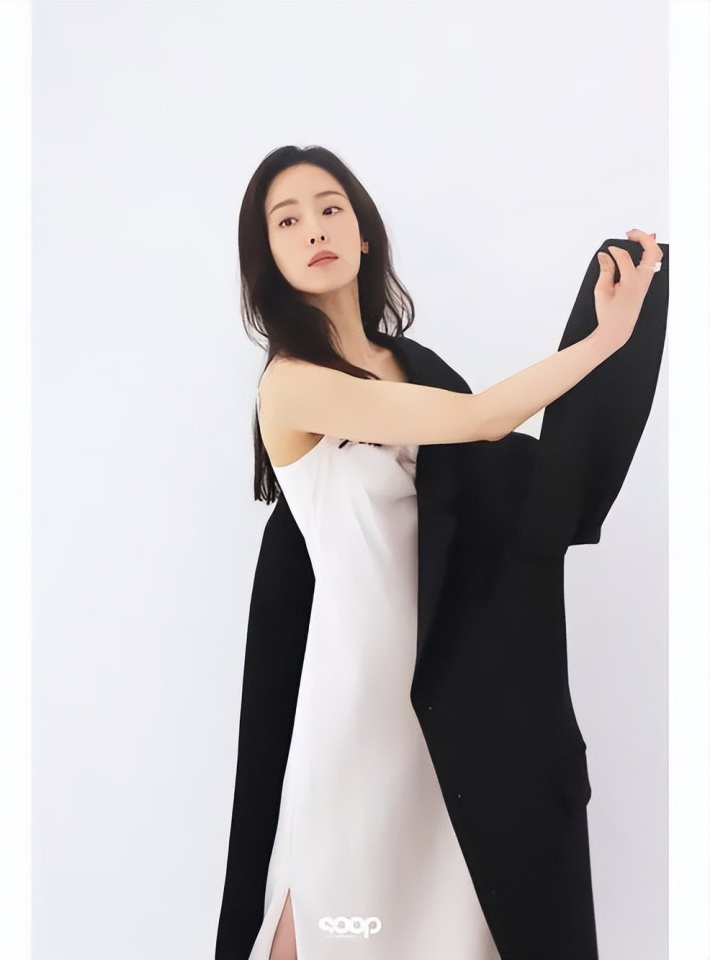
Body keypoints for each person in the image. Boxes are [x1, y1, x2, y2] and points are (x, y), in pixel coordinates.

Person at [216, 144, 664, 960]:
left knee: (451, 923)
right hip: (357, 695)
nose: (314, 229)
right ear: (267, 257)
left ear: (363, 233)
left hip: (448, 689)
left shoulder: (410, 366)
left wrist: (616, 366)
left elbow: (509, 489)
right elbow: (482, 419)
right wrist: (607, 340)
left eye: (330, 208)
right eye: (288, 221)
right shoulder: (290, 382)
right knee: (331, 907)